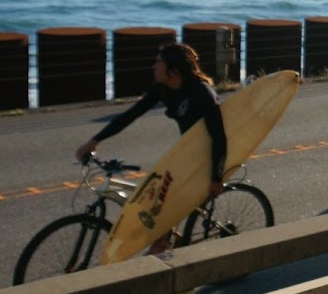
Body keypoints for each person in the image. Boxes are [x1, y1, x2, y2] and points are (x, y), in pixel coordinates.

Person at [73, 42, 228, 249]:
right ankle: (166, 241)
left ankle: (161, 248)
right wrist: (94, 140)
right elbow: (131, 114)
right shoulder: (163, 88)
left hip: (207, 157)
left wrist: (217, 178)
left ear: (173, 70)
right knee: (155, 197)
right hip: (186, 152)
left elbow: (219, 138)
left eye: (158, 62)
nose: (154, 67)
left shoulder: (201, 93)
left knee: (163, 204)